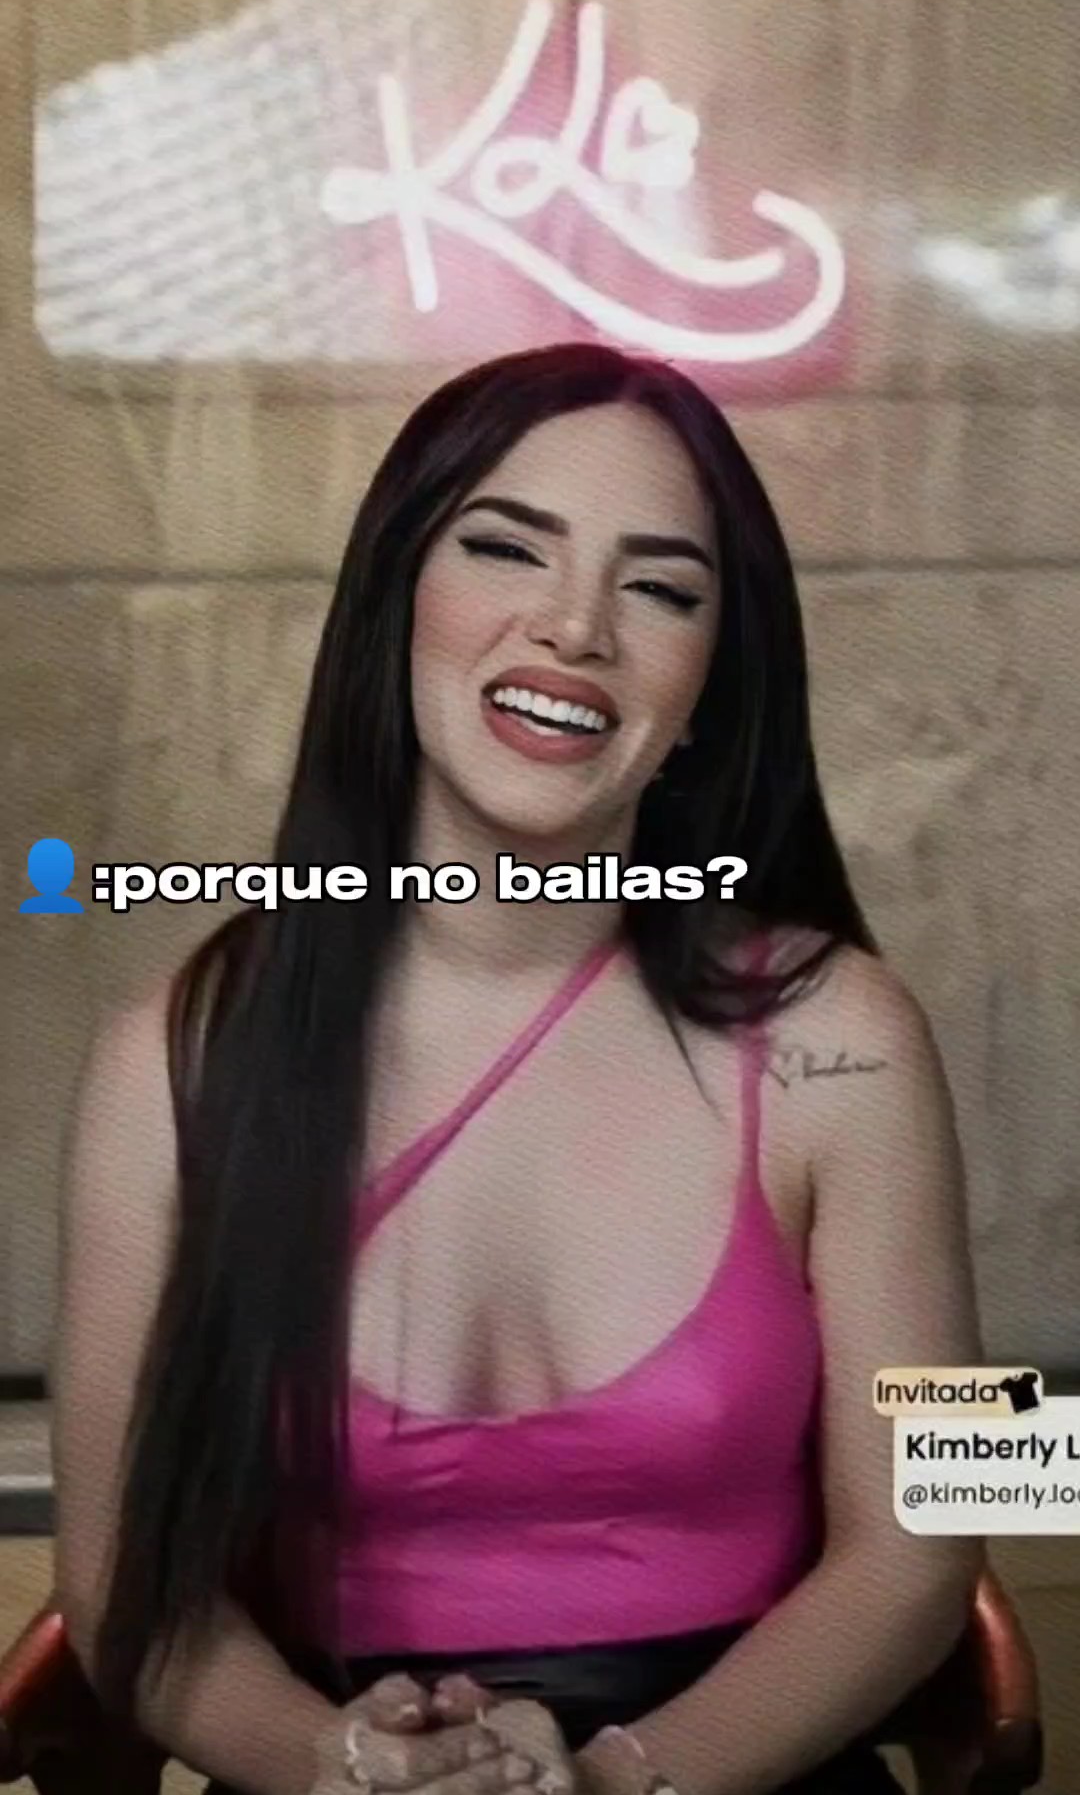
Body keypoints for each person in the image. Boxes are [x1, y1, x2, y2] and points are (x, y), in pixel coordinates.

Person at [52, 343, 984, 1795]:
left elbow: (949, 1533)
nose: (575, 626)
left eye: (660, 589)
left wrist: (623, 1778)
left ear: (710, 685)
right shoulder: (165, 1061)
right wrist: (329, 1764)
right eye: (505, 549)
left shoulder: (862, 1031)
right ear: (393, 603)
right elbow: (120, 1583)